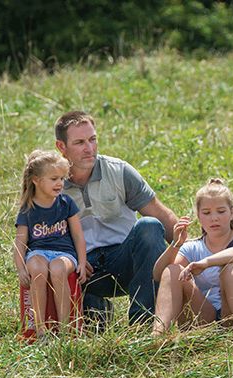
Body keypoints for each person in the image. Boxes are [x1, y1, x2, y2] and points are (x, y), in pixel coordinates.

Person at [54, 111, 179, 325]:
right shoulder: (51, 183)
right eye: (80, 142)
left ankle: (143, 323)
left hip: (125, 259)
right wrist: (72, 258)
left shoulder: (119, 171)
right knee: (92, 324)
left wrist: (194, 256)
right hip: (81, 269)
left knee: (149, 226)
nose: (89, 148)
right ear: (61, 147)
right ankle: (97, 310)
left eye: (93, 139)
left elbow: (160, 214)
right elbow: (38, 236)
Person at [152, 178, 233, 343]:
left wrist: (206, 263)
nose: (214, 218)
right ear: (199, 216)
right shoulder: (193, 247)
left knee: (230, 270)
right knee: (173, 270)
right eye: (206, 213)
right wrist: (176, 244)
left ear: (232, 213)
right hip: (203, 319)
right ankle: (156, 338)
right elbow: (159, 275)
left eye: (221, 211)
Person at [13, 150, 87, 338]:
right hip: (37, 252)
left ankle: (64, 329)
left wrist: (82, 262)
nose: (60, 183)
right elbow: (20, 243)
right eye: (54, 179)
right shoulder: (28, 208)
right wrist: (20, 269)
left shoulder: (66, 203)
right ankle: (40, 330)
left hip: (64, 253)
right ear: (36, 181)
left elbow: (78, 235)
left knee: (57, 268)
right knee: (37, 269)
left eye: (62, 178)